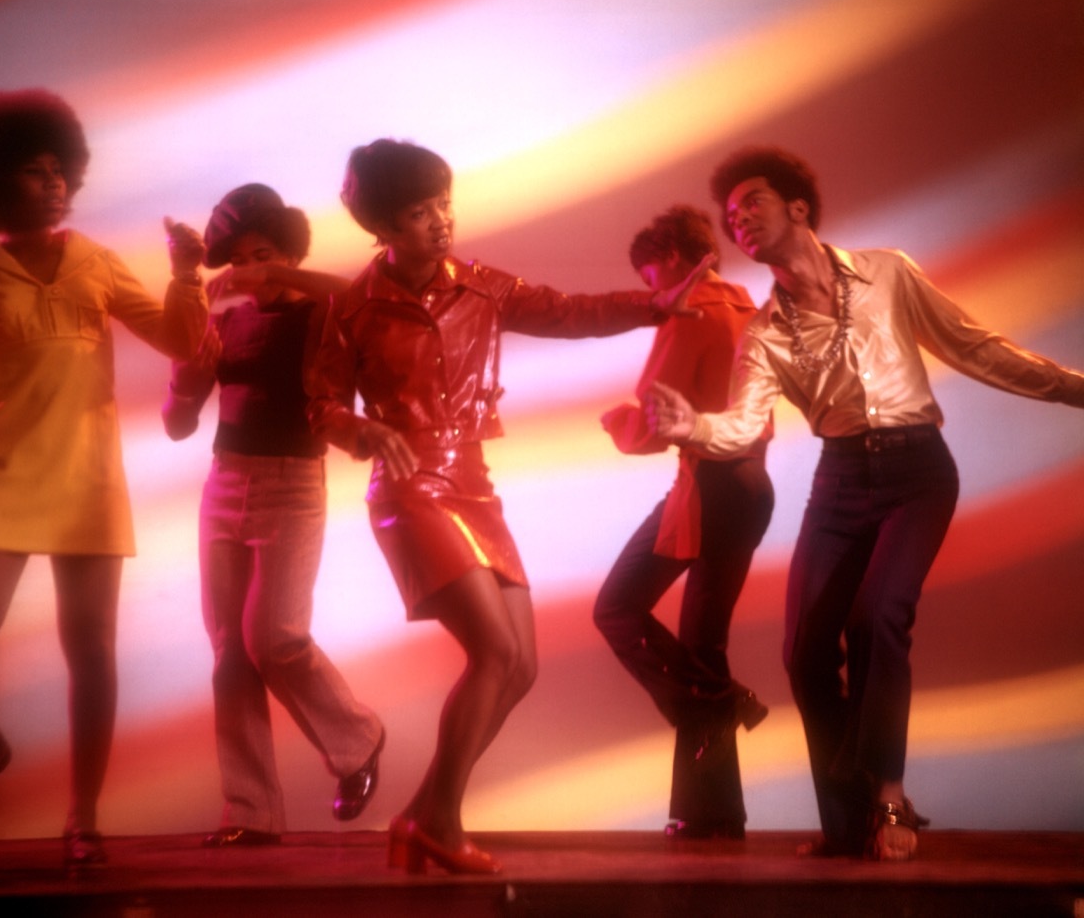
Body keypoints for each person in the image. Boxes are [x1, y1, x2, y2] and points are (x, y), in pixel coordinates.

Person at [646, 145, 1084, 862]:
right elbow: (741, 424)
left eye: (751, 201)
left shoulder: (889, 272)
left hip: (918, 472)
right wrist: (690, 427)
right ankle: (848, 826)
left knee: (878, 617)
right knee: (804, 652)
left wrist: (1074, 387)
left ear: (798, 206)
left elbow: (976, 348)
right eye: (730, 216)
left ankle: (888, 794)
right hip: (840, 480)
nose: (739, 220)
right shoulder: (766, 333)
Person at [307, 139, 703, 875]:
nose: (440, 221)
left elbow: (566, 311)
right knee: (493, 652)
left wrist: (653, 306)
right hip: (408, 488)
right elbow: (319, 406)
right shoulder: (351, 307)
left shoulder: (483, 286)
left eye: (443, 204)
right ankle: (444, 822)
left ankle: (418, 816)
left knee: (520, 667)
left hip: (473, 485)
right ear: (385, 229)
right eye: (419, 212)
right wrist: (360, 428)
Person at [0, 89, 208, 865]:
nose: (53, 186)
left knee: (91, 651)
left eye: (59, 172)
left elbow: (179, 340)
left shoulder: (98, 263)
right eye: (34, 173)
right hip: (1, 470)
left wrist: (187, 276)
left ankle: (84, 816)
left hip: (86, 476)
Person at [161, 183, 385, 848]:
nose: (247, 271)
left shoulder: (321, 312)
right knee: (230, 650)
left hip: (293, 482)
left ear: (288, 251)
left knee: (276, 638)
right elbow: (176, 425)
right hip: (225, 481)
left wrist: (276, 273)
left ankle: (358, 738)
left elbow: (359, 294)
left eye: (263, 255)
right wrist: (187, 375)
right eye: (237, 259)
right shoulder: (223, 313)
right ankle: (250, 811)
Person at [593, 205, 774, 841]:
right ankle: (713, 814)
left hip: (710, 488)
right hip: (752, 486)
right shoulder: (751, 310)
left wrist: (615, 421)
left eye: (650, 278)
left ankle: (721, 709)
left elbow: (650, 419)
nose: (652, 294)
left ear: (672, 255)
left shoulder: (689, 311)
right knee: (703, 646)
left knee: (616, 608)